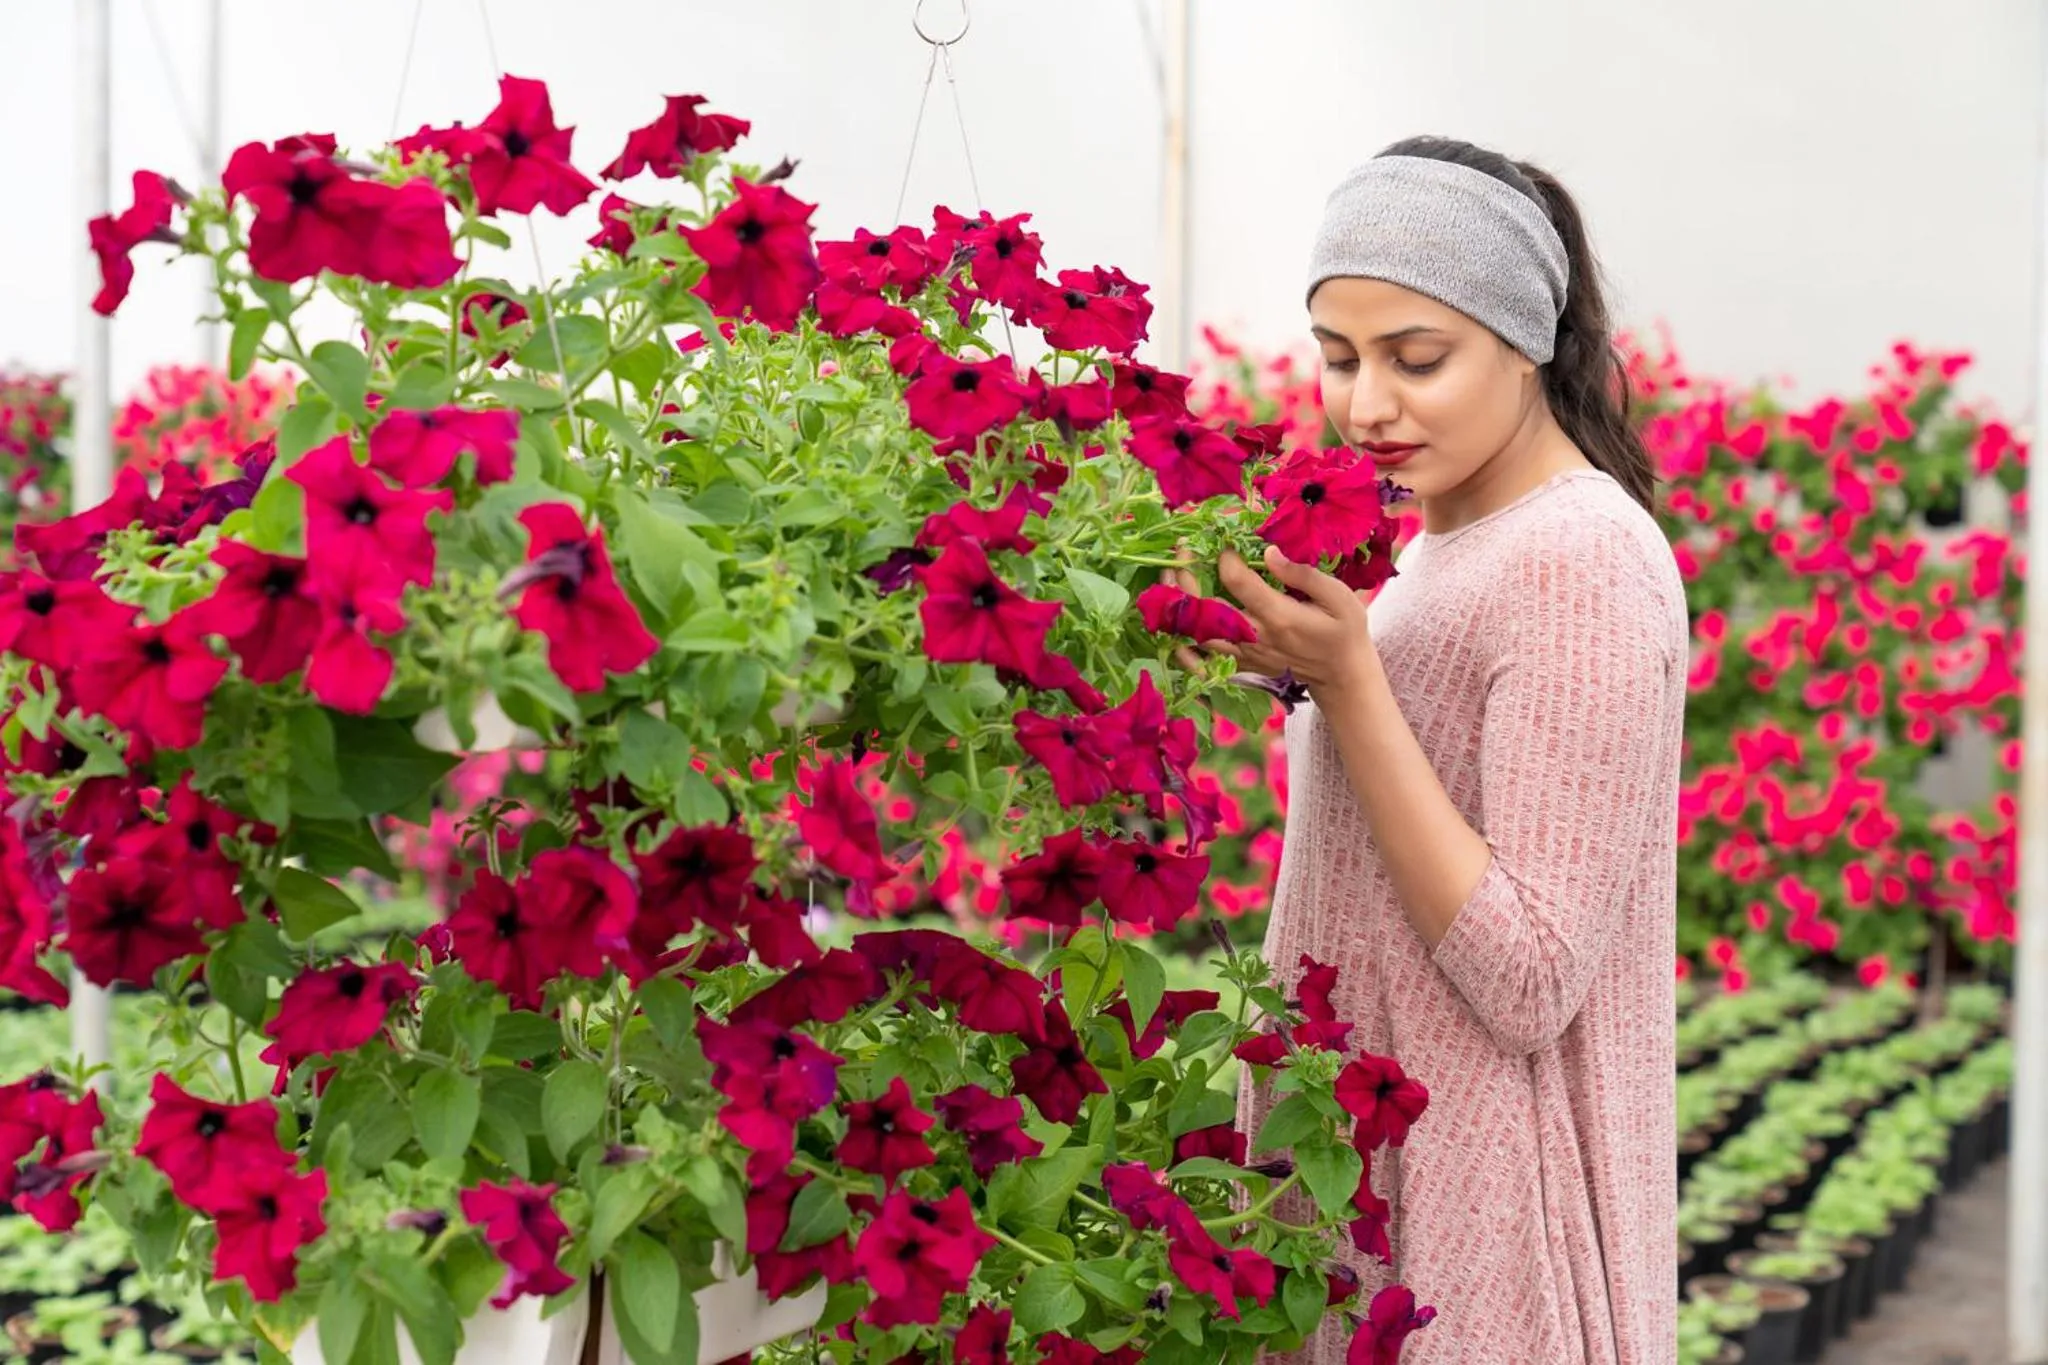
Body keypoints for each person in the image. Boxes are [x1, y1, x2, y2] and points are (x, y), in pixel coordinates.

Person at [1217, 136, 1688, 1364]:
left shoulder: (1578, 562)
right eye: (1337, 359)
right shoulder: (1432, 546)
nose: (1364, 404)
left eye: (1415, 359)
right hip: (1377, 1185)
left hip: (1480, 1246)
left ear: (1525, 338)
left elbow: (1529, 976)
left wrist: (1348, 684)